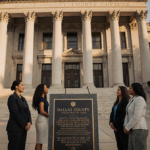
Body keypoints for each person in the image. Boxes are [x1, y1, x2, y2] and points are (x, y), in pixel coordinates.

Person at [6, 80, 32, 150]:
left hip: (23, 129)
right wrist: (25, 124)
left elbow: (28, 111)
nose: (24, 87)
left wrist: (29, 122)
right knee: (14, 148)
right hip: (15, 128)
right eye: (22, 85)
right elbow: (15, 113)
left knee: (21, 148)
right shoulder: (12, 98)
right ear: (16, 86)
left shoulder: (23, 98)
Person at [124, 83, 149, 150]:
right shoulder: (132, 100)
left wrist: (127, 127)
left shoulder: (140, 99)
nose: (128, 89)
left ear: (135, 90)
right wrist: (125, 125)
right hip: (133, 129)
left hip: (139, 129)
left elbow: (137, 115)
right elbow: (127, 114)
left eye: (130, 88)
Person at [32, 84, 49, 150]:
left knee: (40, 141)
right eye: (46, 87)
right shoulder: (41, 99)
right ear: (42, 89)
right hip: (42, 120)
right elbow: (42, 111)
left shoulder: (43, 98)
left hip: (44, 120)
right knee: (39, 141)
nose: (47, 88)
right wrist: (50, 115)